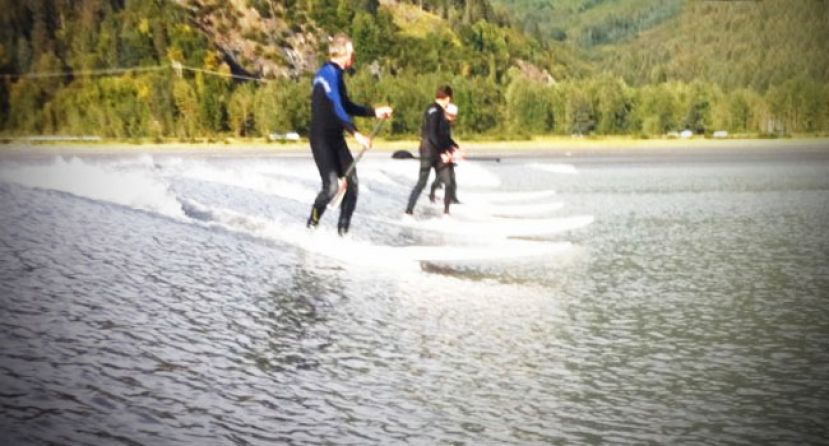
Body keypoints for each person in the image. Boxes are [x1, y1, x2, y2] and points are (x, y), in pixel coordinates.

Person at [306, 33, 392, 235]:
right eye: (353, 53)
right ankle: (311, 225)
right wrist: (357, 134)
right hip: (321, 140)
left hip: (336, 139)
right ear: (342, 53)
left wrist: (374, 111)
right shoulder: (328, 74)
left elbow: (347, 105)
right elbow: (338, 108)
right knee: (331, 187)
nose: (355, 57)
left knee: (352, 185)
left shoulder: (338, 75)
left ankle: (342, 233)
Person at [405, 85, 457, 216]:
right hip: (428, 151)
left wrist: (454, 148)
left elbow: (444, 136)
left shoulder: (441, 112)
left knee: (448, 182)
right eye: (450, 99)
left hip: (439, 152)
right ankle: (408, 211)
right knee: (422, 182)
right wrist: (443, 152)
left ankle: (446, 213)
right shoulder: (434, 110)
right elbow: (432, 134)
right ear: (448, 98)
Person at [429, 102, 461, 204]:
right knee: (442, 176)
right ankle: (432, 193)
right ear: (447, 114)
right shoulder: (441, 123)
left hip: (445, 152)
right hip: (437, 153)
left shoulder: (447, 123)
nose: (454, 118)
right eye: (453, 116)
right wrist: (444, 153)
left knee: (451, 175)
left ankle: (453, 197)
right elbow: (438, 139)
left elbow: (447, 139)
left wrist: (455, 147)